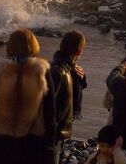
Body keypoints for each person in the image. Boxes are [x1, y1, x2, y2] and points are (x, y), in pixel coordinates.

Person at [0, 28, 57, 164]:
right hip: (33, 138)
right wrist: (51, 142)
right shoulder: (41, 71)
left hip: (4, 138)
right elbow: (50, 110)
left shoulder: (0, 69)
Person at [50, 30, 88, 161]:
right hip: (56, 131)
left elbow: (75, 87)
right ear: (79, 52)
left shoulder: (65, 67)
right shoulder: (61, 71)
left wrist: (81, 78)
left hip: (58, 130)